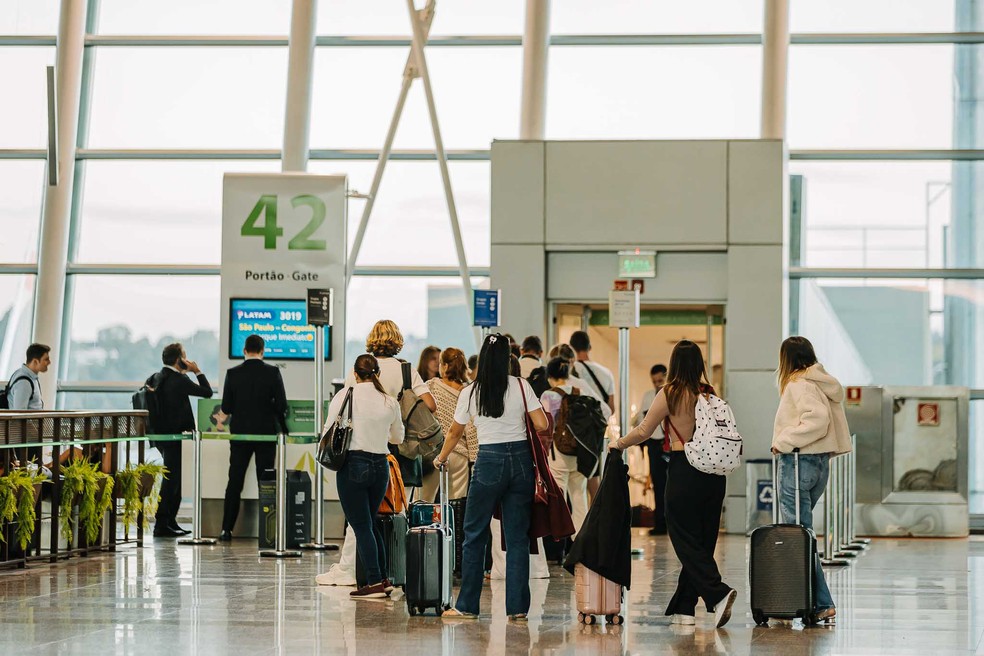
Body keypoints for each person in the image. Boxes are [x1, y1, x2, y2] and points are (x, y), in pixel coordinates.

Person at [609, 340, 737, 628]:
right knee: (702, 542)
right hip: (715, 476)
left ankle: (718, 594)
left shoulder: (670, 393)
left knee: (683, 537)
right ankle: (684, 608)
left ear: (674, 364)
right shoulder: (709, 394)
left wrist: (618, 443)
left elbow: (645, 430)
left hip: (685, 470)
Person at [434, 333, 549, 621]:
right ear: (508, 359)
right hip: (520, 462)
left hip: (488, 461)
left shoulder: (471, 391)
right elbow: (541, 423)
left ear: (483, 359)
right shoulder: (521, 385)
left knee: (474, 534)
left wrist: (441, 457)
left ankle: (467, 606)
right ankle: (518, 608)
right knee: (517, 538)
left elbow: (455, 431)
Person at [317, 319, 435, 587]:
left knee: (359, 523)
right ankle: (394, 571)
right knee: (394, 515)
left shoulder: (356, 376)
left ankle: (353, 571)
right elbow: (429, 405)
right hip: (396, 455)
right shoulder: (405, 371)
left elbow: (345, 407)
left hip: (359, 454)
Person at [773, 336, 852, 625]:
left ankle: (821, 602)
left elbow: (816, 419)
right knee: (802, 532)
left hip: (798, 461)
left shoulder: (799, 383)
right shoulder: (822, 382)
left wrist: (783, 441)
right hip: (819, 464)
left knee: (799, 535)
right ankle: (805, 599)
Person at [327, 355, 405, 599]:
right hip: (381, 466)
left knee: (361, 526)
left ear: (355, 373)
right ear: (377, 373)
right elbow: (398, 438)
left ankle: (374, 582)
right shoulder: (389, 401)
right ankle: (383, 578)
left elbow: (328, 431)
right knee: (369, 523)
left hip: (353, 465)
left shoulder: (344, 396)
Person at [218, 334, 289, 541]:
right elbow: (282, 406)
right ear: (262, 351)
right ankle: (269, 531)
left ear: (244, 351)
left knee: (235, 481)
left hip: (240, 434)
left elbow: (226, 407)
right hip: (266, 434)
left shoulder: (232, 373)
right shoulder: (273, 372)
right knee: (266, 482)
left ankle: (226, 529)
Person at [148, 343, 213, 538]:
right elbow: (207, 392)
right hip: (175, 438)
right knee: (172, 481)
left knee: (174, 479)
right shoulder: (178, 379)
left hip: (161, 437)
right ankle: (162, 523)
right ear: (179, 359)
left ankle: (169, 521)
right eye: (185, 356)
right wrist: (197, 371)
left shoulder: (156, 377)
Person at [539, 357, 589, 535]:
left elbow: (544, 425)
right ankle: (580, 541)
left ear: (550, 376)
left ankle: (561, 540)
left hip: (558, 453)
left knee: (559, 497)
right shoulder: (580, 392)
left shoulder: (548, 395)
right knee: (580, 497)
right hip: (579, 451)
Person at [425, 348, 478, 500]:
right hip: (459, 453)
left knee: (424, 500)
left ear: (446, 366)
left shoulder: (431, 386)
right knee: (456, 502)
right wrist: (474, 457)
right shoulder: (469, 392)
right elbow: (471, 428)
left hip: (434, 450)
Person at [635, 364, 668, 536]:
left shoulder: (673, 394)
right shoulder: (648, 396)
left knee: (674, 485)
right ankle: (660, 523)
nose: (657, 384)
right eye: (654, 381)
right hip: (655, 443)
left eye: (660, 380)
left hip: (671, 443)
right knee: (658, 484)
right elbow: (642, 420)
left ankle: (674, 523)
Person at [569, 331, 615, 414]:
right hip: (599, 420)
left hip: (577, 419)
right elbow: (611, 408)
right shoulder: (607, 373)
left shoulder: (569, 372)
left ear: (571, 348)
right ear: (589, 347)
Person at [5, 343, 50, 411]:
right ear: (35, 361)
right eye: (46, 359)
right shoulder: (24, 382)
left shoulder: (27, 376)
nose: (49, 362)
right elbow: (19, 413)